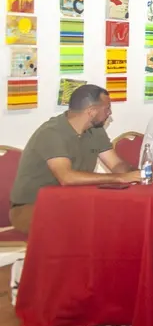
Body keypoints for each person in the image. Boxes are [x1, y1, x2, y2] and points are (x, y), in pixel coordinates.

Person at [10, 84, 144, 233]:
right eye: (107, 109)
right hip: (32, 206)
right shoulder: (52, 133)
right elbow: (67, 177)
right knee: (86, 226)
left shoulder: (95, 130)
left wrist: (138, 174)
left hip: (73, 201)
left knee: (118, 216)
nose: (110, 113)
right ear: (91, 111)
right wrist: (119, 178)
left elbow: (116, 164)